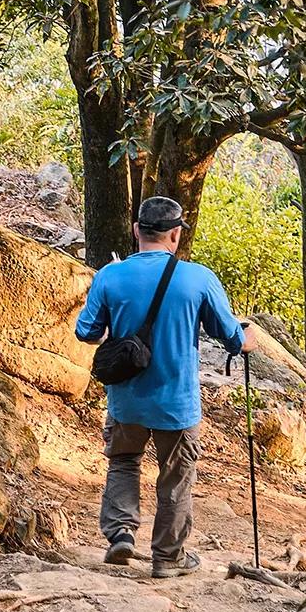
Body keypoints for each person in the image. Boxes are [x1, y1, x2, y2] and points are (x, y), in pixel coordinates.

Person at [75, 195, 258, 576]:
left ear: (136, 230)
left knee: (124, 463)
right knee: (175, 478)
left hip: (125, 401)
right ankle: (167, 558)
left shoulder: (110, 276)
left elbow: (85, 332)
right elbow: (232, 338)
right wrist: (249, 339)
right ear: (175, 235)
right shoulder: (198, 278)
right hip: (177, 403)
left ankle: (122, 534)